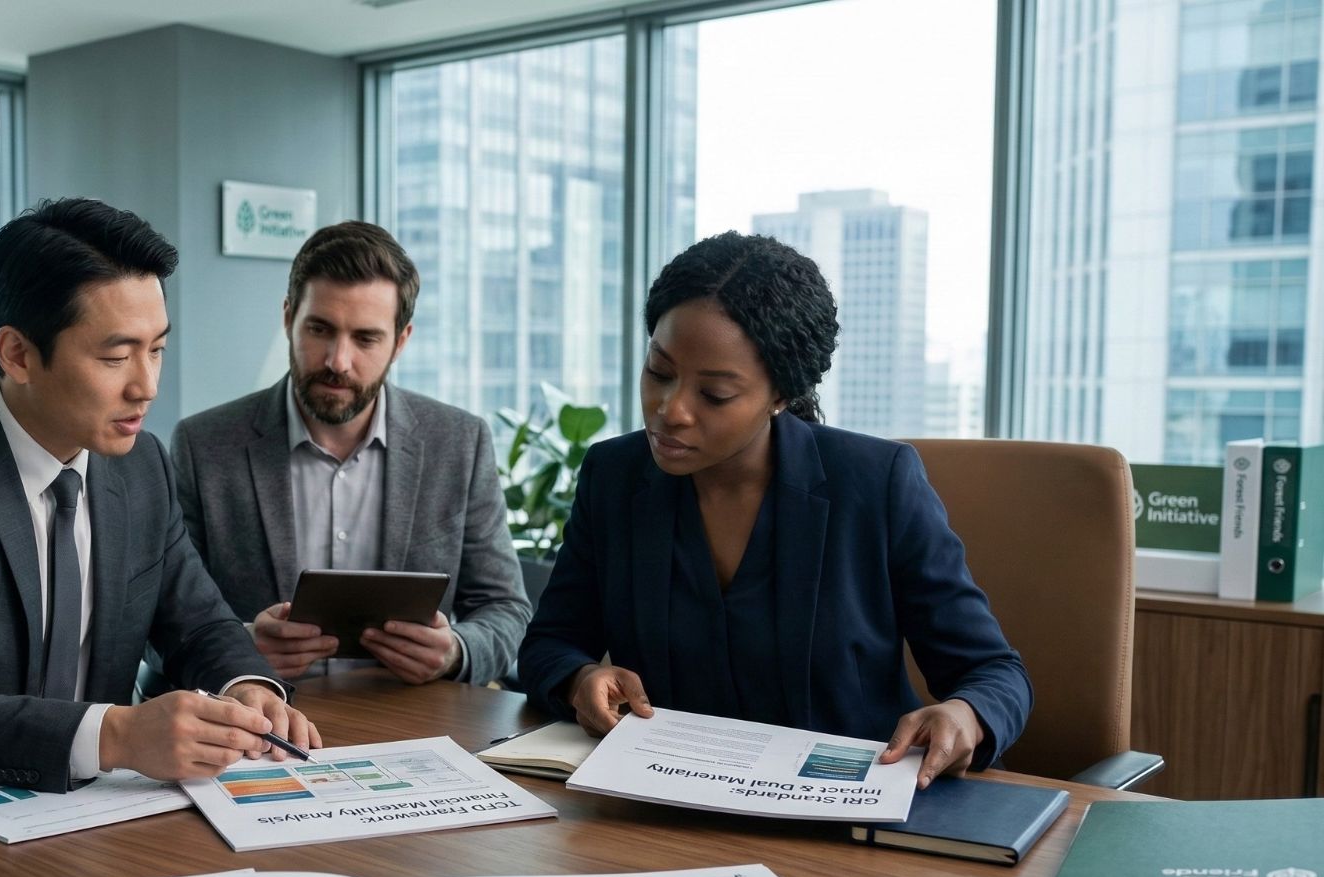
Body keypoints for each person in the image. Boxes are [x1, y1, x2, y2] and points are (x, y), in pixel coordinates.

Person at [0, 197, 319, 791]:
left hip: (91, 815)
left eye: (156, 349)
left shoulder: (143, 465)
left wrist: (247, 687)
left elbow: (199, 624)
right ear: (18, 354)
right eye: (116, 356)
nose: (147, 386)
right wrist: (119, 737)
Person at [516, 231, 1031, 789]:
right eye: (659, 373)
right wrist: (580, 676)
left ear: (781, 394)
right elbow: (550, 642)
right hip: (665, 800)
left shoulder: (876, 484)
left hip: (843, 811)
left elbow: (993, 672)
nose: (670, 411)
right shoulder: (615, 476)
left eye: (714, 395)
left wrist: (966, 714)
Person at [171, 222, 529, 685]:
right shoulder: (204, 446)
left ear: (400, 341)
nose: (338, 361)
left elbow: (505, 608)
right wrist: (235, 650)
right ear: (287, 318)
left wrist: (455, 652)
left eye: (365, 339)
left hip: (410, 727)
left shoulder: (459, 443)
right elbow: (160, 621)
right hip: (256, 728)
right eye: (320, 329)